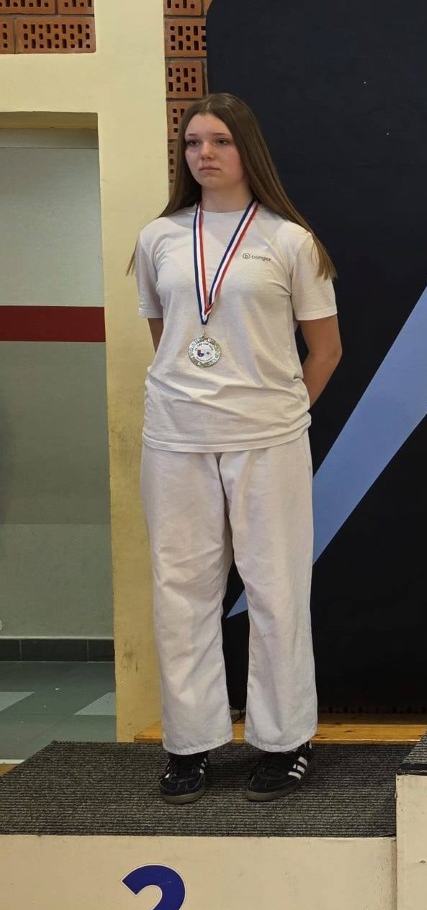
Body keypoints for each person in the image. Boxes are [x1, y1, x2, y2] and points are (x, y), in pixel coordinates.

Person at [131, 92, 342, 803]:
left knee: (276, 588)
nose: (205, 154)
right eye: (193, 143)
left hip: (266, 439)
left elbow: (325, 350)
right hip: (176, 438)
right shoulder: (158, 237)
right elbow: (167, 338)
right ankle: (189, 742)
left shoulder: (290, 241)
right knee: (180, 590)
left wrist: (281, 411)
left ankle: (284, 741)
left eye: (219, 141)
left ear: (246, 149)